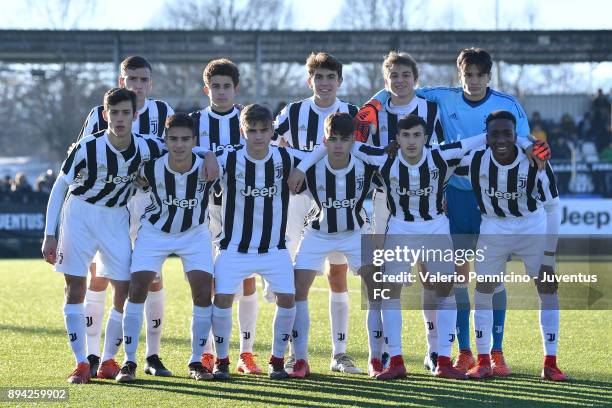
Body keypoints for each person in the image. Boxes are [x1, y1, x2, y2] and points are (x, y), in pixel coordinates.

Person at [357, 48, 543, 375]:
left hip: (490, 195)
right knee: (455, 278)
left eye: (479, 75)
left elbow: (525, 140)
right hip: (453, 196)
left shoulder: (508, 103)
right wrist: (369, 110)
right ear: (460, 75)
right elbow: (396, 87)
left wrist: (535, 150)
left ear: (488, 76)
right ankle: (464, 351)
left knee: (492, 278)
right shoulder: (443, 97)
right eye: (467, 74)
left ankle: (495, 352)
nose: (472, 81)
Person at [41, 88, 165, 384]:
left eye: (126, 113)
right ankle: (82, 363)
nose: (120, 119)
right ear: (105, 114)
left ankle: (109, 359)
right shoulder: (87, 147)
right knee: (75, 286)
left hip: (116, 219)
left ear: (135, 115)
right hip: (80, 215)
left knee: (125, 287)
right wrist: (50, 234)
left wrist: (208, 155)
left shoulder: (148, 147)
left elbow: (181, 150)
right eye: (115, 113)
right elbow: (60, 187)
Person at [452, 110, 568, 382]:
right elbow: (441, 161)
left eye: (507, 133)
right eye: (494, 134)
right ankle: (483, 362)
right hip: (493, 227)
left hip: (531, 225)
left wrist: (549, 258)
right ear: (486, 138)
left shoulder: (536, 161)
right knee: (484, 289)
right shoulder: (476, 160)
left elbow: (553, 208)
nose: (501, 139)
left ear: (516, 135)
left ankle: (550, 363)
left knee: (548, 286)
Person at [77, 56, 174, 379]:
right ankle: (93, 355)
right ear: (122, 82)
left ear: (151, 83)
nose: (137, 85)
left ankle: (152, 355)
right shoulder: (99, 114)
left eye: (143, 79)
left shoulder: (164, 113)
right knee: (100, 276)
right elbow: (81, 155)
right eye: (131, 79)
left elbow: (177, 154)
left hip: (150, 205)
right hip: (111, 206)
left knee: (151, 278)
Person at [208, 104, 320, 380]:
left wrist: (302, 168)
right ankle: (222, 361)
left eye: (263, 130)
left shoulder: (284, 156)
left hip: (274, 248)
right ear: (242, 131)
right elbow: (195, 153)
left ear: (272, 130)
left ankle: (277, 360)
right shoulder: (228, 158)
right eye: (251, 131)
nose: (258, 136)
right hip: (234, 247)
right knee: (221, 300)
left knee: (288, 299)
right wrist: (208, 154)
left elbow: (321, 151)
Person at [273, 52, 360, 374]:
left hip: (341, 203)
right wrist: (294, 160)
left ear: (340, 81)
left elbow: (364, 151)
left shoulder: (353, 113)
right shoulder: (294, 111)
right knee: (298, 279)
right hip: (299, 201)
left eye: (330, 77)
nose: (324, 83)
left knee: (338, 275)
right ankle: (298, 353)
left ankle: (340, 353)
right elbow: (268, 139)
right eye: (318, 77)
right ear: (310, 81)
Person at [117, 113, 217, 382]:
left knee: (203, 290)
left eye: (186, 139)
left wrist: (208, 155)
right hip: (155, 232)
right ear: (166, 140)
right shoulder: (150, 167)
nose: (180, 145)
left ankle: (196, 361)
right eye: (174, 139)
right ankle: (129, 361)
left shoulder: (207, 166)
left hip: (194, 234)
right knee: (137, 287)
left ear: (194, 141)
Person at [283, 113, 383, 378]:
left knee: (376, 288)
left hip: (355, 232)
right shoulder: (311, 166)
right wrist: (302, 166)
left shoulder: (366, 165)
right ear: (325, 140)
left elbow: (395, 172)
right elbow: (280, 151)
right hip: (318, 233)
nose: (338, 145)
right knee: (297, 288)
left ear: (353, 140)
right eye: (333, 139)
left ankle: (376, 358)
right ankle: (300, 358)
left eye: (344, 139)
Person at [189, 58, 262, 375]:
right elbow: (175, 149)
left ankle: (246, 352)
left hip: (241, 210)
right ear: (207, 89)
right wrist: (205, 153)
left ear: (236, 89)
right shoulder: (193, 122)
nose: (220, 92)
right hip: (202, 211)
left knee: (246, 281)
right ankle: (207, 353)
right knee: (208, 282)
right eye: (215, 87)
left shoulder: (247, 121)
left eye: (226, 86)